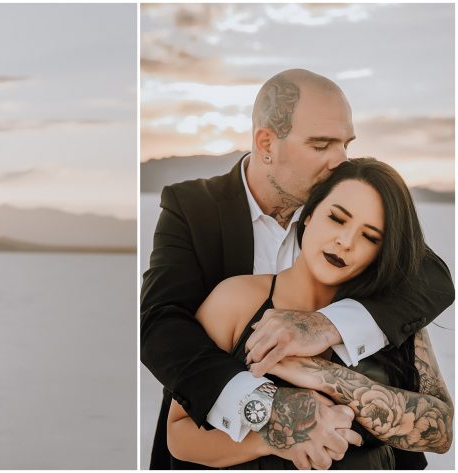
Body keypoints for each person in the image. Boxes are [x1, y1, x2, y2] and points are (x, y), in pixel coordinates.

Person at [140, 69, 455, 469]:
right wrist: (270, 411)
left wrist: (328, 327)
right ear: (267, 142)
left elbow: (433, 279)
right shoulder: (194, 210)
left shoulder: (349, 211)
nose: (340, 160)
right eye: (321, 144)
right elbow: (159, 326)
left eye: (346, 143)